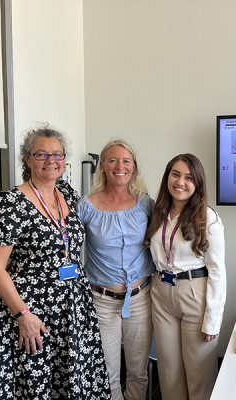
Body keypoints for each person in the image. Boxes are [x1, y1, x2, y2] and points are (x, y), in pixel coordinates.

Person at [0, 126, 111, 400]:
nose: (51, 160)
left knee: (71, 379)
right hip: (31, 310)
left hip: (72, 307)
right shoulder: (9, 204)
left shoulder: (67, 195)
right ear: (27, 158)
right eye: (41, 154)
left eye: (57, 154)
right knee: (35, 383)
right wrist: (22, 315)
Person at [143, 153, 226, 400]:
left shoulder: (207, 217)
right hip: (162, 293)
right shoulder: (158, 211)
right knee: (169, 373)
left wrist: (213, 319)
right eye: (175, 174)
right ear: (167, 176)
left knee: (198, 374)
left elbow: (218, 270)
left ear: (197, 184)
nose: (180, 182)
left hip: (194, 293)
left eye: (189, 178)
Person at [77, 139, 155, 400]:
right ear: (102, 166)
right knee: (108, 372)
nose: (119, 166)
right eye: (112, 160)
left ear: (133, 168)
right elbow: (66, 247)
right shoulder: (85, 207)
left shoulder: (146, 204)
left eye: (126, 161)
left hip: (140, 299)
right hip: (101, 302)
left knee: (138, 372)